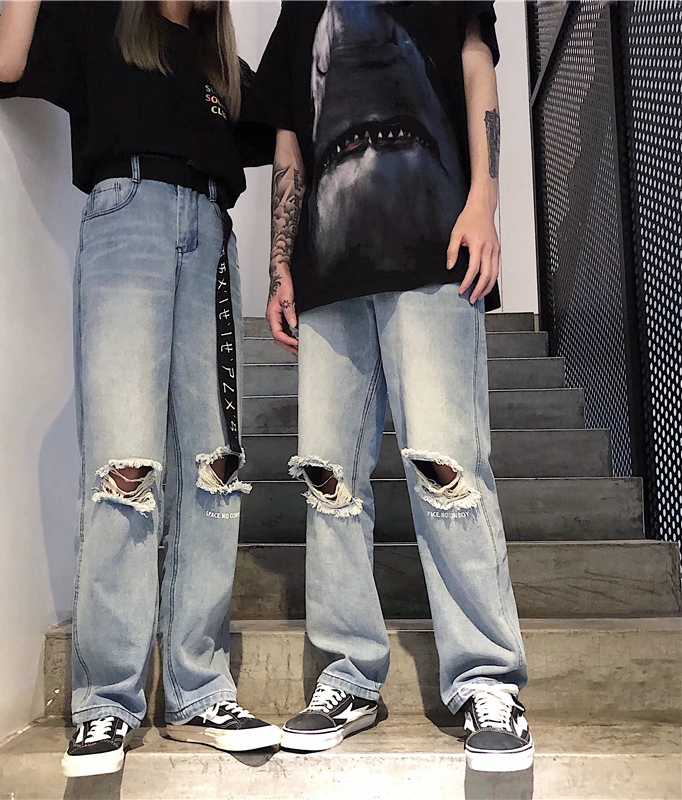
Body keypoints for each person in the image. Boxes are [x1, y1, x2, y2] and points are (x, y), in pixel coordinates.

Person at [0, 0, 279, 778]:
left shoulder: (219, 65)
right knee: (124, 464)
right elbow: (5, 64)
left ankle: (198, 690)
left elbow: (288, 118)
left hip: (210, 234)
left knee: (215, 469)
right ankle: (107, 701)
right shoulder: (102, 20)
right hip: (128, 217)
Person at [249, 0, 533, 772]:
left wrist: (485, 200)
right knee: (329, 479)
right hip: (326, 270)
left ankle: (487, 679)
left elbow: (476, 65)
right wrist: (279, 262)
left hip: (437, 249)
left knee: (448, 467)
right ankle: (347, 676)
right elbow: (289, 133)